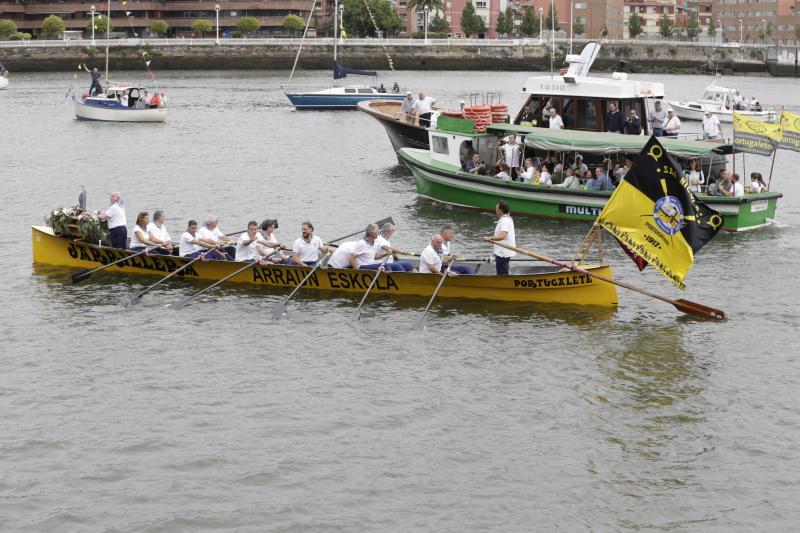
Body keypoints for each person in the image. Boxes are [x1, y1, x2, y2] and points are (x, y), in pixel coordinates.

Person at [329, 224, 400, 271]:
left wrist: (385, 254)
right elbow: (351, 258)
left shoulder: (374, 242)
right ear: (372, 234)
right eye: (377, 232)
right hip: (336, 267)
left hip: (366, 264)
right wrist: (358, 271)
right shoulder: (362, 244)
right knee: (386, 266)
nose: (379, 233)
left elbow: (373, 256)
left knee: (393, 266)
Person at [482, 201, 515, 276]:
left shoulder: (505, 220)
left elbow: (503, 235)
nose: (495, 210)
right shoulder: (507, 218)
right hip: (504, 252)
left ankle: (504, 286)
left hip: (503, 253)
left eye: (496, 208)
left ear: (500, 210)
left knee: (502, 275)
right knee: (503, 272)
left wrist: (491, 238)